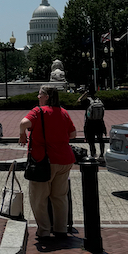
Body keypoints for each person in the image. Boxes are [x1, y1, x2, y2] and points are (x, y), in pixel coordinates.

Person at [19, 85, 76, 241]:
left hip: (44, 162)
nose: (38, 97)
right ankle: (60, 229)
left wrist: (22, 134)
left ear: (47, 97)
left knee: (39, 198)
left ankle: (44, 230)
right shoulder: (63, 112)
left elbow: (23, 123)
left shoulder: (38, 112)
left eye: (40, 94)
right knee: (60, 197)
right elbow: (73, 134)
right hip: (65, 160)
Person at [78, 89, 107, 158]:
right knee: (100, 139)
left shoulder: (87, 101)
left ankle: (93, 154)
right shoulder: (99, 100)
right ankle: (102, 154)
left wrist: (84, 94)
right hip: (100, 122)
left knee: (91, 140)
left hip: (90, 123)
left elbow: (78, 101)